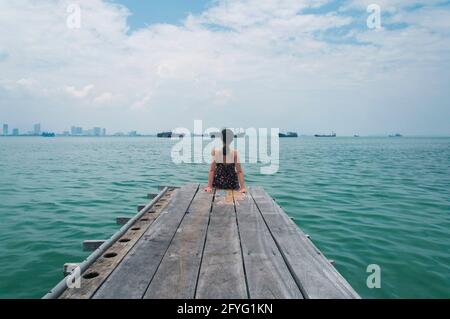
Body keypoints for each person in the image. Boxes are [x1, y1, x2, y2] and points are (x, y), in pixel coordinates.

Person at [204, 128, 246, 193]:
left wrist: (209, 186)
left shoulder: (216, 152)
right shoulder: (235, 153)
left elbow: (212, 170)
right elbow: (239, 171)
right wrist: (243, 187)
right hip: (232, 184)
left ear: (221, 139)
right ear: (232, 140)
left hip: (218, 183)